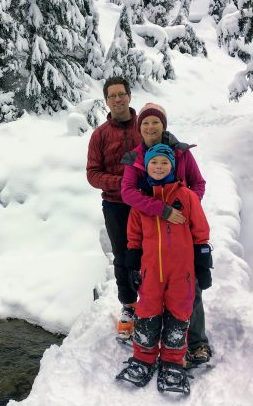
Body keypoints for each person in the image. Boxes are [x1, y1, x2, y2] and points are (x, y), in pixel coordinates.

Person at [115, 144, 213, 394]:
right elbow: (133, 237)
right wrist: (132, 264)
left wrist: (203, 265)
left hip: (182, 273)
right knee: (147, 314)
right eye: (153, 163)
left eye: (164, 162)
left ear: (172, 166)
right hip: (150, 273)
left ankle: (172, 361)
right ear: (146, 166)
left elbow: (200, 232)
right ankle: (144, 358)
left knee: (179, 316)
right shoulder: (142, 202)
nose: (158, 167)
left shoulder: (187, 197)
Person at [86, 77, 141, 336]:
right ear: (106, 101)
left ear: (129, 96)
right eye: (112, 96)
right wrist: (123, 183)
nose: (117, 99)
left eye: (122, 94)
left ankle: (154, 302)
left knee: (152, 254)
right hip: (116, 205)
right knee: (122, 256)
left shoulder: (146, 126)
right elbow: (93, 174)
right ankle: (128, 305)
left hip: (146, 204)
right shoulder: (99, 135)